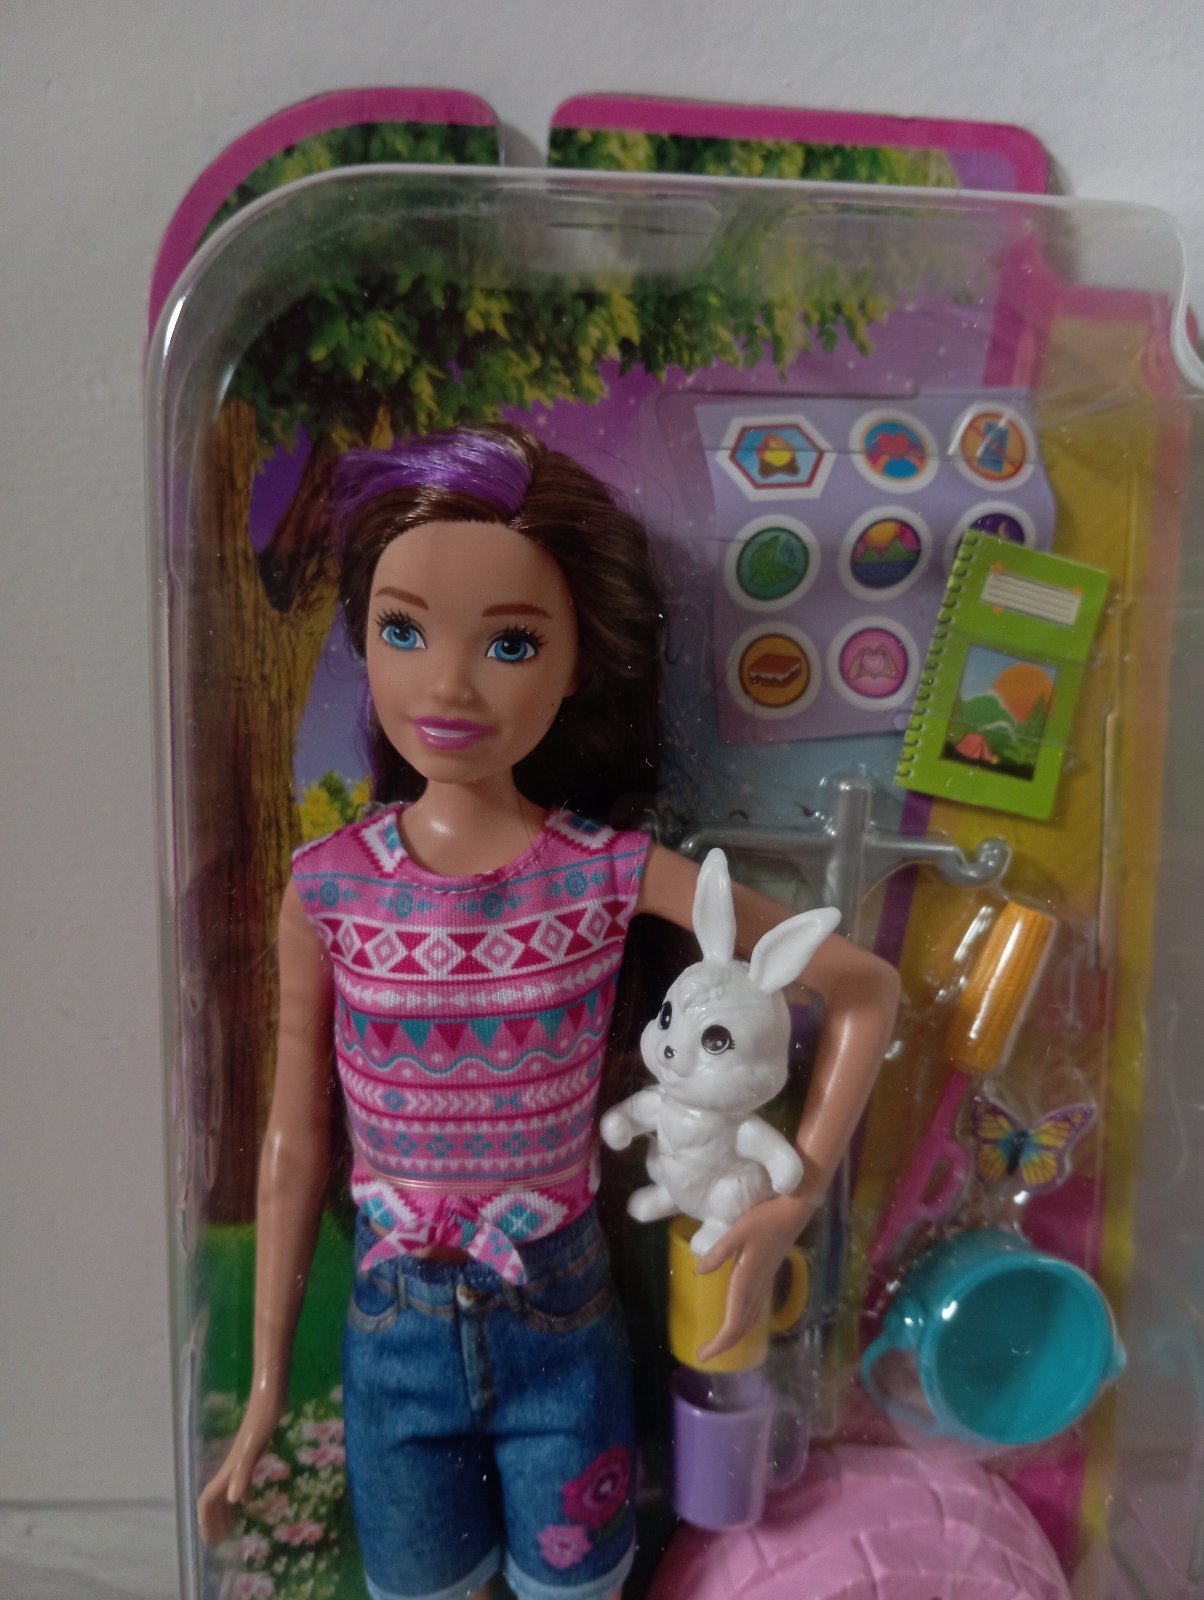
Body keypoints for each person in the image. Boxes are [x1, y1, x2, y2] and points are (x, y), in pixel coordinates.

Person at [198, 425, 900, 1600]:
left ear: (576, 665)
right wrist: (266, 1382)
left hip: (558, 1314)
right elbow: (291, 1139)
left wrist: (793, 1197)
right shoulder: (328, 885)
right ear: (361, 638)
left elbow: (864, 987)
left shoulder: (603, 871)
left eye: (511, 642)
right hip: (393, 1325)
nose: (447, 685)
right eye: (403, 630)